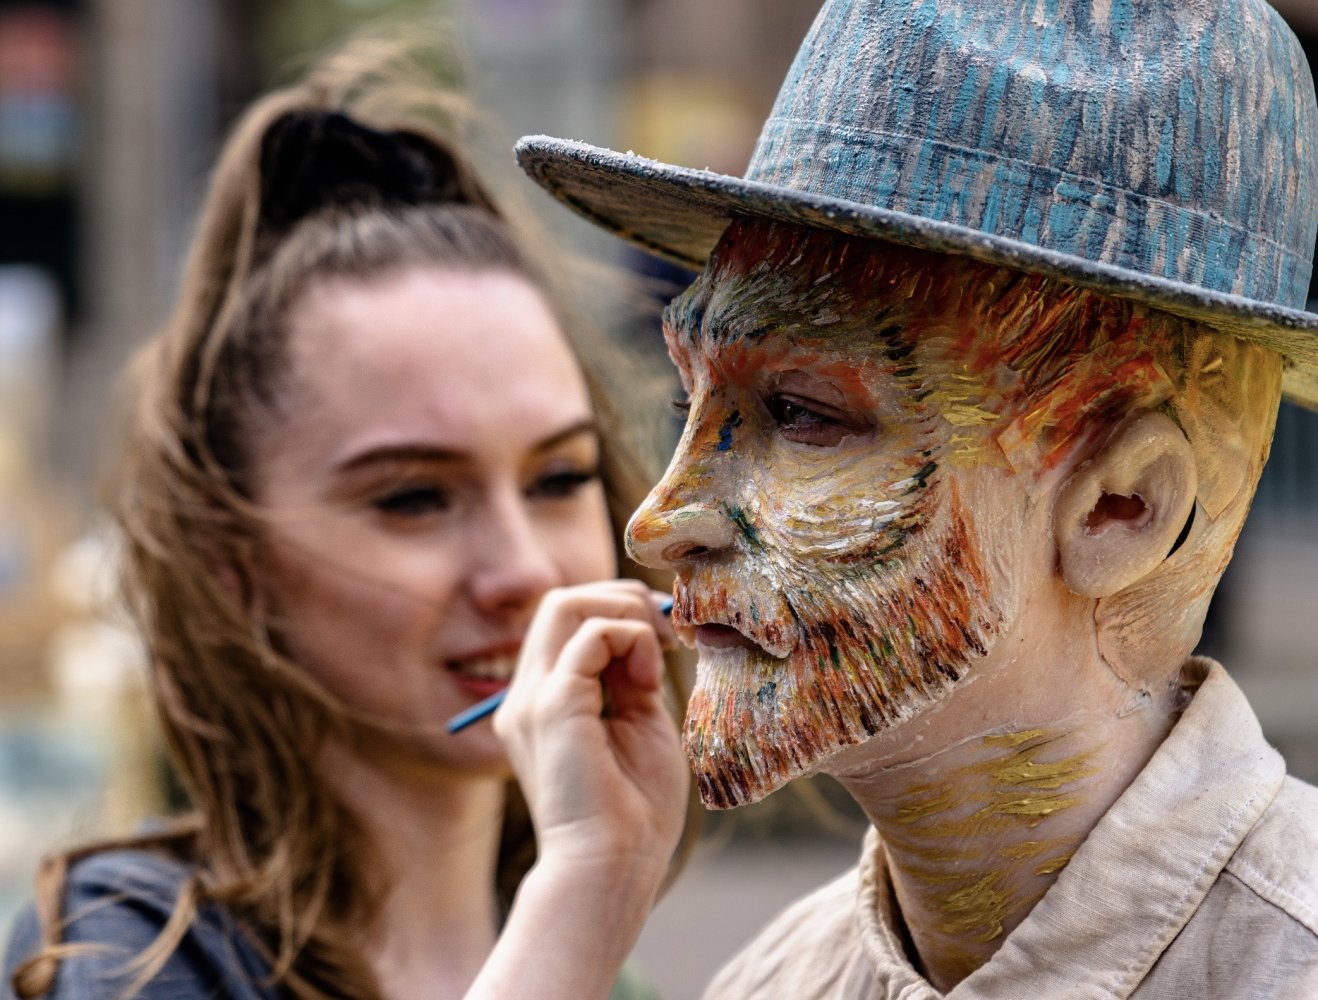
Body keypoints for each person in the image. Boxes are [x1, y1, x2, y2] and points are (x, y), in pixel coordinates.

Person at [506, 0, 1318, 995]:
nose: (658, 521)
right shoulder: (772, 983)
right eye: (691, 398)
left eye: (801, 414)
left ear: (1121, 508)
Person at [2, 30, 696, 1000]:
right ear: (233, 562)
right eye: (414, 497)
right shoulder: (124, 950)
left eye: (558, 479)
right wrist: (580, 904)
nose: (524, 570)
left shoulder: (605, 970)